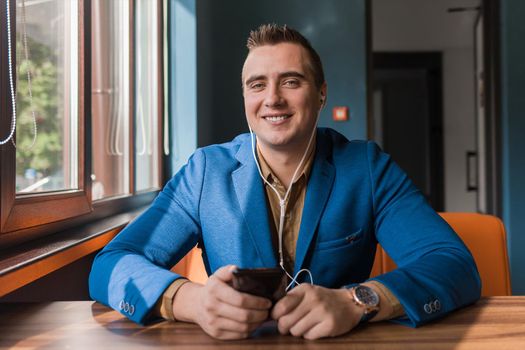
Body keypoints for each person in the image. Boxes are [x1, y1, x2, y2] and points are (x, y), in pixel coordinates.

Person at [89, 23, 481, 340]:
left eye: (291, 81)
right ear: (246, 96)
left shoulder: (367, 167)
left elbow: (454, 265)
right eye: (257, 84)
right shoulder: (205, 171)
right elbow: (111, 265)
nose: (272, 98)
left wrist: (358, 300)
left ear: (321, 94)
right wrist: (189, 300)